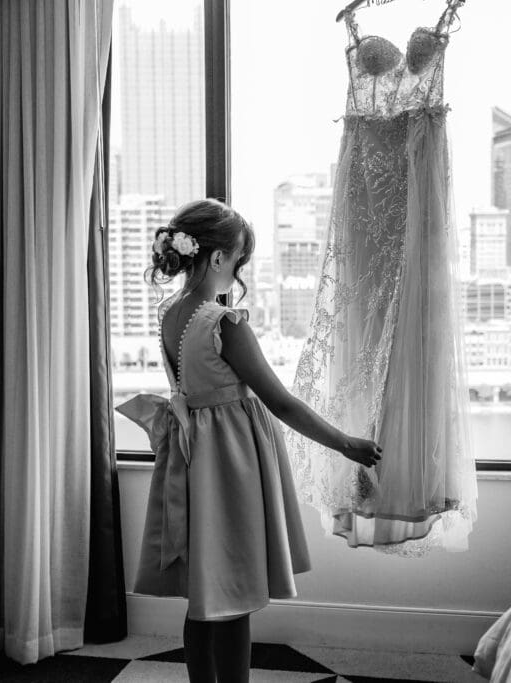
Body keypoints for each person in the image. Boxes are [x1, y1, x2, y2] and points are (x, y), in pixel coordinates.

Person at [119, 198, 382, 682]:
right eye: (240, 260)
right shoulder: (223, 323)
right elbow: (282, 403)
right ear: (219, 258)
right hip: (230, 463)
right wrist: (346, 443)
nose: (240, 271)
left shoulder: (171, 315)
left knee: (205, 595)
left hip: (192, 458)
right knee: (234, 596)